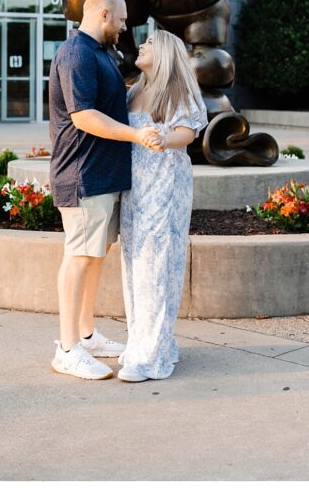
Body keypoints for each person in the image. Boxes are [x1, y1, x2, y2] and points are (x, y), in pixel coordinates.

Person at [47, 0, 164, 380]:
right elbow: (84, 117)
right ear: (102, 15)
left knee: (93, 257)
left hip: (101, 176)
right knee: (79, 257)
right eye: (122, 18)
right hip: (83, 176)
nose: (125, 26)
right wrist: (138, 136)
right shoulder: (77, 53)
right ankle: (67, 348)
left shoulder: (98, 53)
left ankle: (87, 334)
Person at [117, 29, 207, 382]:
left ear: (167, 52)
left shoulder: (177, 91)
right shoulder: (136, 90)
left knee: (156, 267)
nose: (141, 45)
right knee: (135, 266)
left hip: (165, 185)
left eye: (150, 42)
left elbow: (188, 132)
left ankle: (149, 355)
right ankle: (146, 341)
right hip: (134, 189)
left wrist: (165, 138)